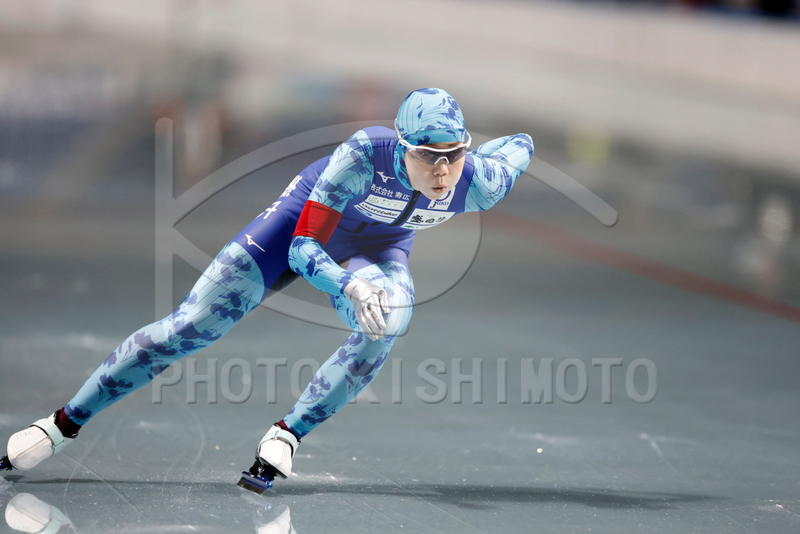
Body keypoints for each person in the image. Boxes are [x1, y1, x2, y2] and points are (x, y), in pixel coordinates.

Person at [1, 88, 534, 488]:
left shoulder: (479, 183)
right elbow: (303, 250)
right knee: (191, 327)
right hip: (296, 231)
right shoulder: (363, 157)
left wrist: (485, 154)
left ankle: (286, 434)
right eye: (426, 154)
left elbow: (520, 146)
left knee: (389, 321)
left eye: (453, 154)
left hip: (376, 251)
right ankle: (60, 425)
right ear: (401, 146)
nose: (441, 171)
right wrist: (347, 286)